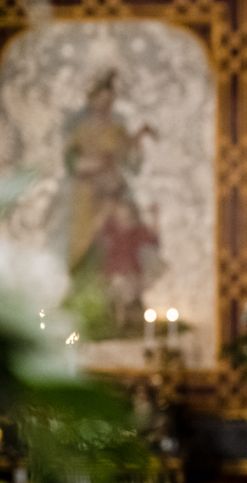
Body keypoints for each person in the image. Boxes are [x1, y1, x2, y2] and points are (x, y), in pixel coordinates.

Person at [62, 70, 160, 337]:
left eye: (109, 102)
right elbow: (73, 164)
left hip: (116, 191)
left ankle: (127, 309)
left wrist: (137, 140)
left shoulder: (117, 129)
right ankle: (87, 310)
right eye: (100, 101)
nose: (105, 107)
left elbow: (131, 163)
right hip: (88, 197)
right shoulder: (80, 130)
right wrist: (99, 163)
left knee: (124, 241)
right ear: (92, 101)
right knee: (93, 246)